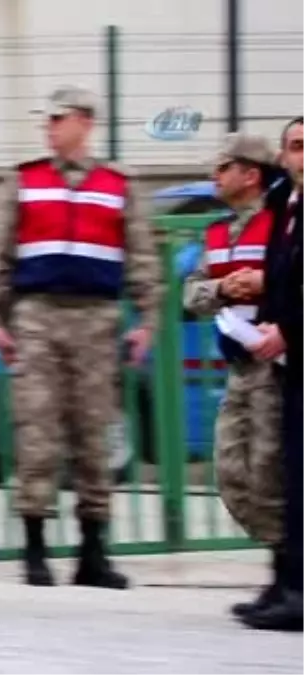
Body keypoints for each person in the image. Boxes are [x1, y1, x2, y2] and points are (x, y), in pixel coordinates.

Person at [0, 86, 163, 589]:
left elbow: (143, 258)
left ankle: (92, 553)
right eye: (48, 120)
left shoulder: (117, 183)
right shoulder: (25, 179)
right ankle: (35, 550)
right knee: (36, 430)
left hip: (98, 318)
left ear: (84, 122)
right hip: (36, 316)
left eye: (58, 119)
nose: (49, 127)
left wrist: (147, 319)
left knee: (93, 432)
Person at [182, 132, 285, 618]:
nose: (214, 176)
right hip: (239, 366)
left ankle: (285, 580)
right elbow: (191, 295)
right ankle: (282, 574)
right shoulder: (218, 232)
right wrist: (224, 287)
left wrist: (264, 286)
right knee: (231, 473)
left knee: (270, 473)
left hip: (278, 364)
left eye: (222, 167)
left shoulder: (281, 224)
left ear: (250, 174)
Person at [244, 115, 304, 631]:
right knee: (293, 477)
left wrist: (288, 329)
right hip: (290, 361)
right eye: (294, 147)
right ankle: (289, 585)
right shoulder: (286, 209)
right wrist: (268, 320)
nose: (300, 156)